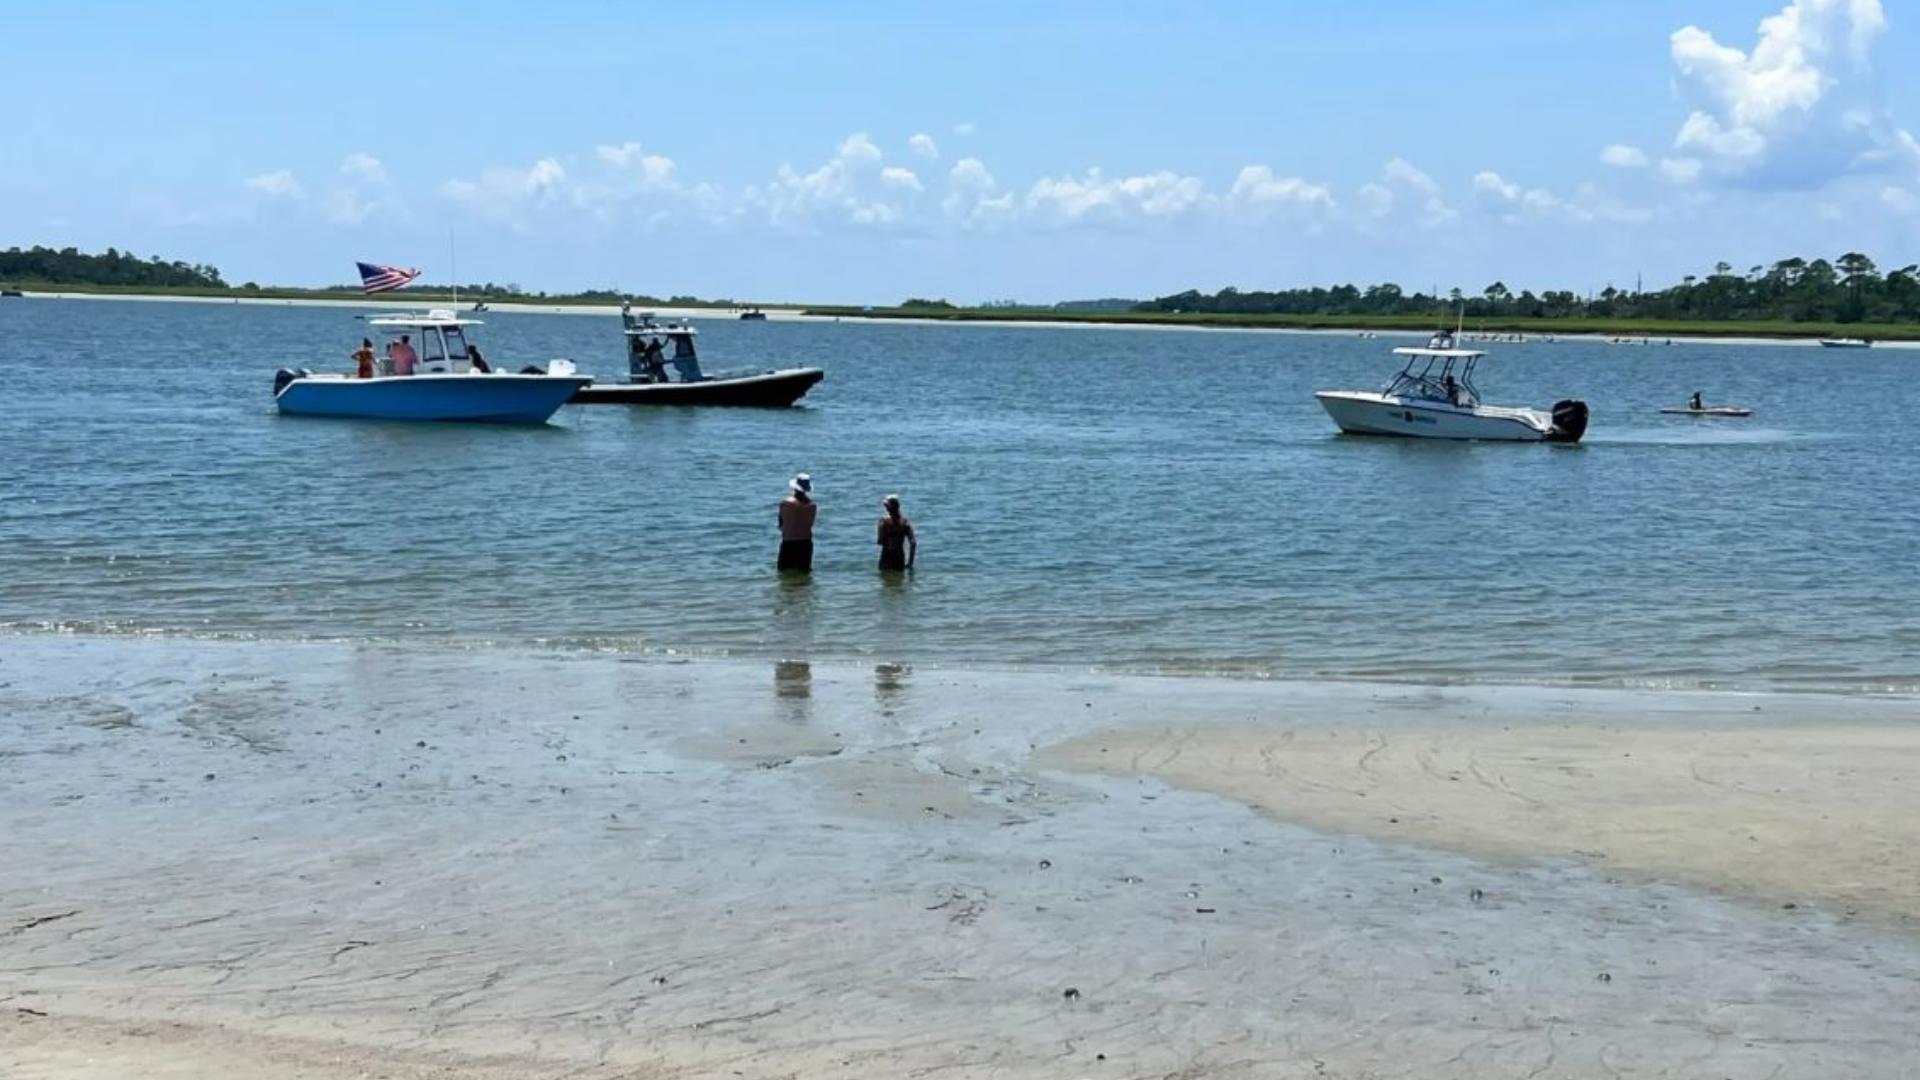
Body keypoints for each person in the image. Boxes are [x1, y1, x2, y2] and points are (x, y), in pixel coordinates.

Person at [777, 474, 817, 573]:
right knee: (804, 573)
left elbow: (781, 523)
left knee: (784, 574)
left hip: (789, 541)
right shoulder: (812, 505)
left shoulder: (786, 503)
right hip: (806, 542)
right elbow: (810, 523)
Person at [876, 495, 916, 572]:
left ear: (888, 507)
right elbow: (913, 543)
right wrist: (910, 563)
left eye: (886, 506)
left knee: (885, 581)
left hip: (886, 556)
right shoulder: (905, 522)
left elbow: (880, 541)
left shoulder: (883, 521)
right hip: (899, 557)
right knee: (899, 581)